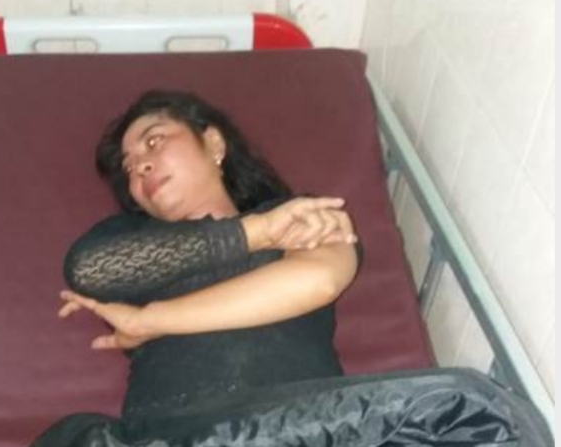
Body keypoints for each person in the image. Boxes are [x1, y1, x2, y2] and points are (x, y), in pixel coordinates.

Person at [30, 89, 360, 446]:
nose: (139, 166)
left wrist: (149, 321)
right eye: (129, 167)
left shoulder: (297, 211)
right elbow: (88, 269)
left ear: (214, 143)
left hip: (297, 427)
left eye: (154, 141)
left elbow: (319, 280)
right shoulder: (130, 240)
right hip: (168, 436)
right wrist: (257, 233)